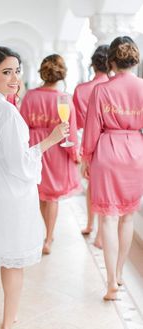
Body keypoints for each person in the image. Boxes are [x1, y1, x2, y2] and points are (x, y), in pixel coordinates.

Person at [0, 46, 69, 329]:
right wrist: (49, 141)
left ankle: (10, 315)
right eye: (6, 72)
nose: (14, 78)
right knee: (14, 260)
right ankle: (6, 327)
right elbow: (20, 164)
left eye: (16, 71)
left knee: (7, 256)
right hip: (11, 189)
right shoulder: (7, 112)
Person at [81, 36, 143, 300]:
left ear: (112, 61)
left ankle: (111, 284)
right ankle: (119, 273)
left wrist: (86, 157)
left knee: (108, 218)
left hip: (107, 150)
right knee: (127, 216)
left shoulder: (101, 90)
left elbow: (93, 129)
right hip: (135, 151)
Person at [20, 54, 81, 255]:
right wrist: (75, 154)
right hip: (57, 148)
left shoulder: (30, 96)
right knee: (52, 196)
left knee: (41, 193)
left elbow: (22, 125)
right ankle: (48, 237)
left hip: (37, 146)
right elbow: (70, 130)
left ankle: (44, 233)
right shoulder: (65, 99)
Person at [73, 45, 109, 248]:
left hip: (89, 140)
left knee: (92, 186)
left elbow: (78, 122)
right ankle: (102, 235)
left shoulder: (81, 89)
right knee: (107, 190)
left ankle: (89, 224)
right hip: (112, 143)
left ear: (93, 65)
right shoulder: (111, 87)